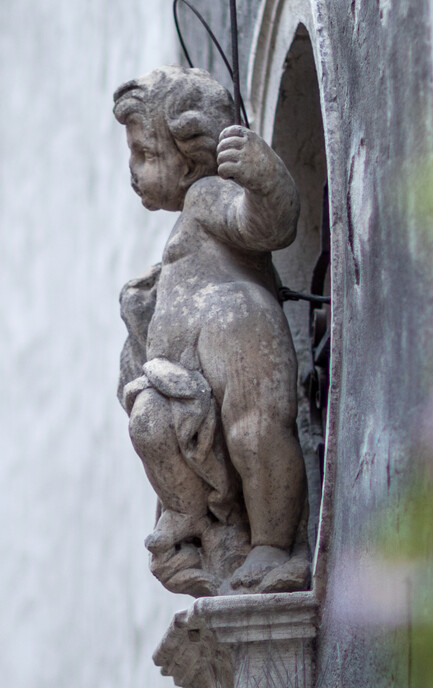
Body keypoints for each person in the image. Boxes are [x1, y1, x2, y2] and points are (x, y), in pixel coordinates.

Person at [114, 66, 309, 596]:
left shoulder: (208, 196)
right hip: (189, 367)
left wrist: (262, 177)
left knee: (255, 434)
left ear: (190, 149)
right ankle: (204, 523)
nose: (132, 170)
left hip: (236, 332)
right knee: (153, 425)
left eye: (144, 153)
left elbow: (266, 226)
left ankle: (271, 543)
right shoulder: (185, 223)